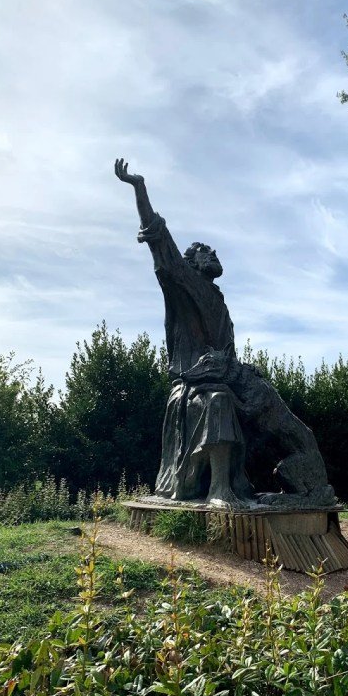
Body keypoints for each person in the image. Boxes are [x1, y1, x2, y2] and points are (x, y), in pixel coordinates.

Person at [114, 159, 252, 507]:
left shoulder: (219, 302)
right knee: (219, 401)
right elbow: (159, 241)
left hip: (220, 383)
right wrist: (139, 187)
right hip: (189, 388)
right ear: (191, 263)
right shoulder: (183, 283)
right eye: (206, 252)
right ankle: (218, 489)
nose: (214, 254)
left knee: (250, 404)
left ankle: (245, 484)